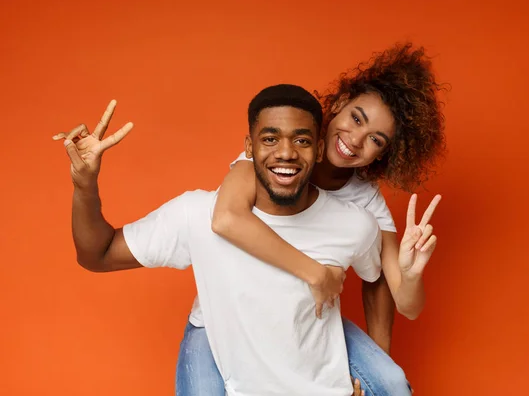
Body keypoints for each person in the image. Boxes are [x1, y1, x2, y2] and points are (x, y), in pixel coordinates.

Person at [54, 84, 429, 395]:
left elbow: (381, 281)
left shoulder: (361, 213)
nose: (285, 152)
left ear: (316, 150)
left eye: (375, 139)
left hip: (308, 325)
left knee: (392, 385)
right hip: (222, 321)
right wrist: (84, 185)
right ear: (249, 149)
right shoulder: (206, 208)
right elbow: (225, 218)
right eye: (270, 140)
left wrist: (373, 362)